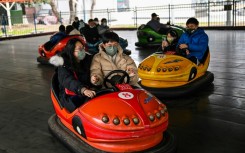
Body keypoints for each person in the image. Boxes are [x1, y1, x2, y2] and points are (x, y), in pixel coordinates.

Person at [49, 38, 96, 112]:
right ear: (71, 51)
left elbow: (96, 62)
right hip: (70, 94)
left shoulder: (86, 59)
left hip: (86, 90)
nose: (83, 51)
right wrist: (83, 90)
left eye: (83, 48)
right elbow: (69, 81)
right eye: (80, 49)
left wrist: (94, 78)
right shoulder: (63, 64)